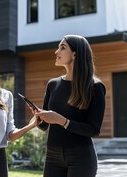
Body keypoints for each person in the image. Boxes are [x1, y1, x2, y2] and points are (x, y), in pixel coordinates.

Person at [35, 34, 106, 177]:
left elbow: (93, 129)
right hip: (53, 155)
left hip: (81, 157)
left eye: (62, 48)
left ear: (75, 54)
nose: (56, 52)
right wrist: (39, 117)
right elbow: (44, 126)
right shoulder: (52, 84)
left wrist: (62, 121)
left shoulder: (95, 87)